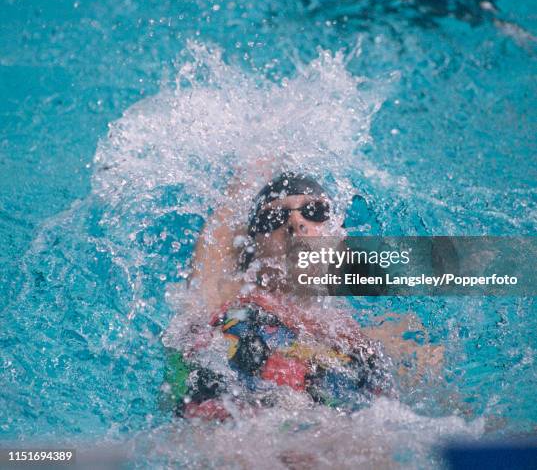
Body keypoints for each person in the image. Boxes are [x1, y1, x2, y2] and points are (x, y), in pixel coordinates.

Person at [162, 167, 441, 421]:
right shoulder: (221, 296)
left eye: (315, 212)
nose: (296, 223)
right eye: (273, 218)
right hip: (235, 440)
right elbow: (221, 230)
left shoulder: (376, 338)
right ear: (253, 252)